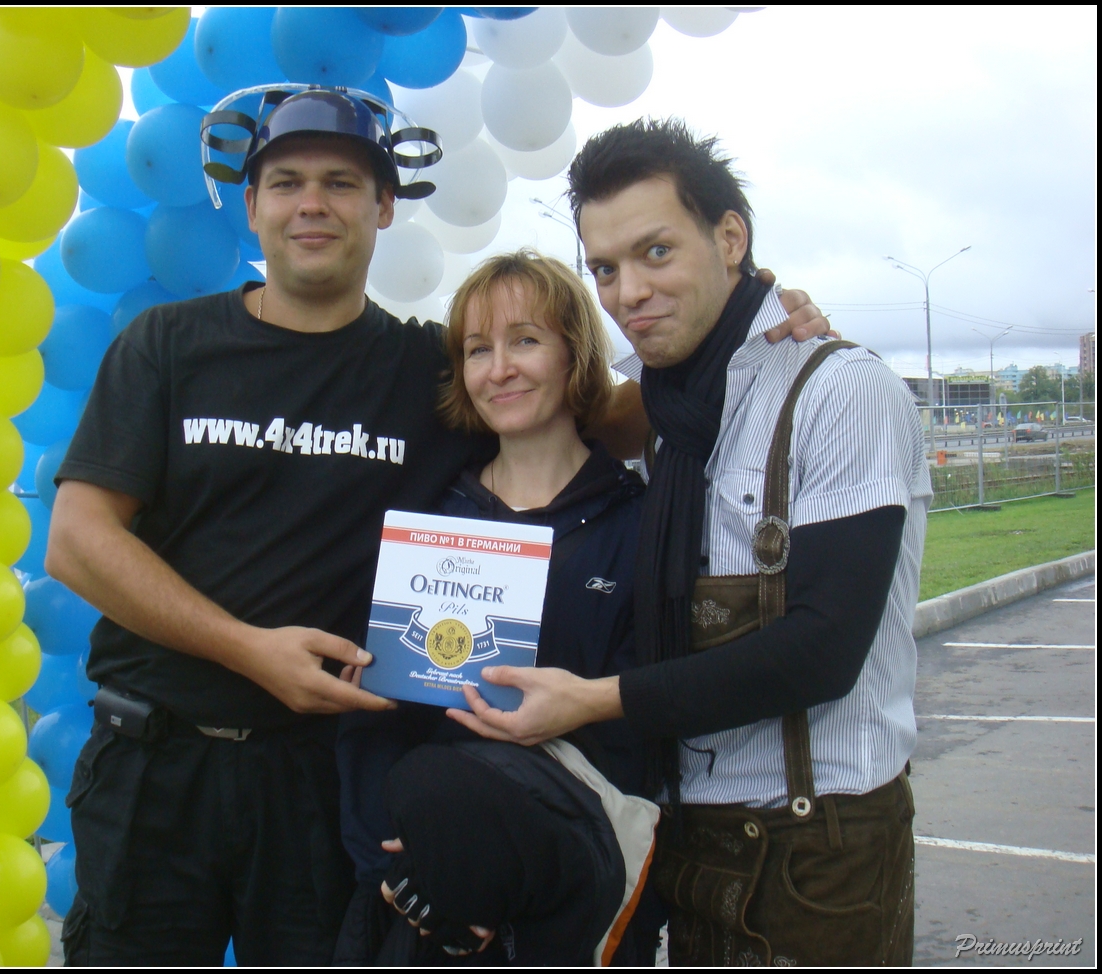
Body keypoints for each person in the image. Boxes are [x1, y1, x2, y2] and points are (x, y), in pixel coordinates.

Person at [45, 87, 830, 965]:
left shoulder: (431, 370)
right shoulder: (166, 345)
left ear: (385, 206)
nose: (313, 204)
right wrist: (247, 650)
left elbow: (592, 412)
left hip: (316, 783)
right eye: (287, 183)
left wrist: (750, 322)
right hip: (155, 767)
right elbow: (78, 542)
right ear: (252, 203)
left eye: (343, 184)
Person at [450, 118, 930, 967]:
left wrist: (594, 700)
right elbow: (532, 404)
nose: (629, 291)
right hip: (684, 832)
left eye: (657, 252)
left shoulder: (839, 390)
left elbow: (823, 651)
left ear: (730, 239)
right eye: (605, 268)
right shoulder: (659, 399)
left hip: (812, 844)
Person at [335, 250, 658, 966]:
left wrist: (497, 871)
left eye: (526, 341)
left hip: (566, 897)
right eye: (478, 350)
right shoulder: (428, 520)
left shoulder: (638, 524)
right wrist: (399, 870)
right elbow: (374, 728)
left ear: (575, 354)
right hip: (414, 900)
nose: (500, 369)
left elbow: (642, 730)